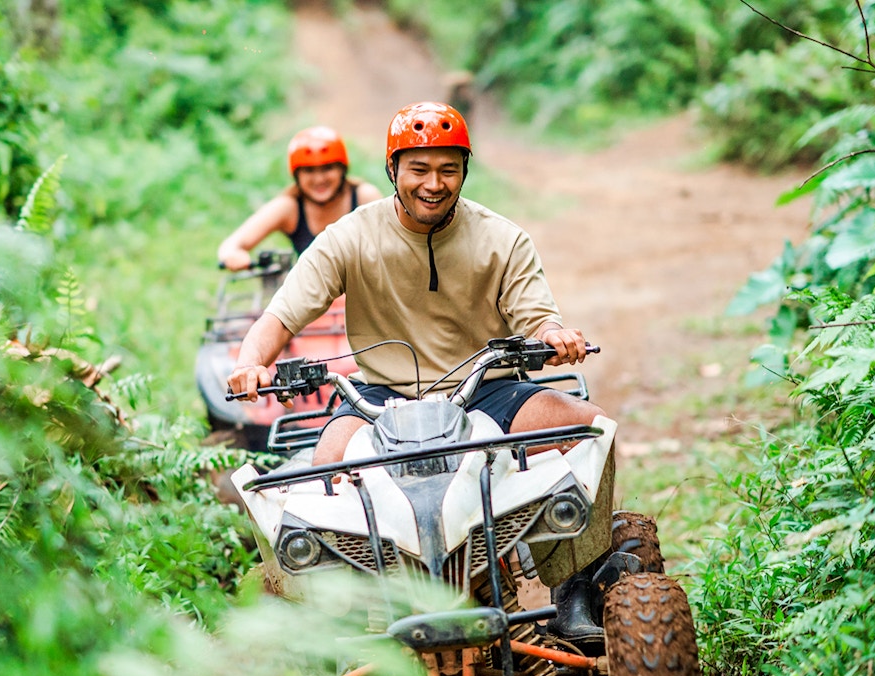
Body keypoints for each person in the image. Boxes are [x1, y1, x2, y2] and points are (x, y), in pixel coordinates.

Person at [225, 102, 608, 642]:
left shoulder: (503, 238)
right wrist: (250, 363)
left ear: (464, 171)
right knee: (325, 477)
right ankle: (344, 621)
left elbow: (539, 319)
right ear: (392, 170)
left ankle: (575, 594)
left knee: (588, 433)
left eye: (448, 169)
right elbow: (282, 314)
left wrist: (555, 338)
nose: (434, 184)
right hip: (379, 398)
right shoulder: (348, 236)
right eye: (419, 170)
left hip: (486, 388)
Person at [217, 126, 383, 270]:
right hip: (314, 301)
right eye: (309, 171)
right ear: (297, 175)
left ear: (342, 170)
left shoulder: (364, 197)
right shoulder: (290, 207)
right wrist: (233, 255)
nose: (319, 179)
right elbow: (231, 244)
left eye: (327, 168)